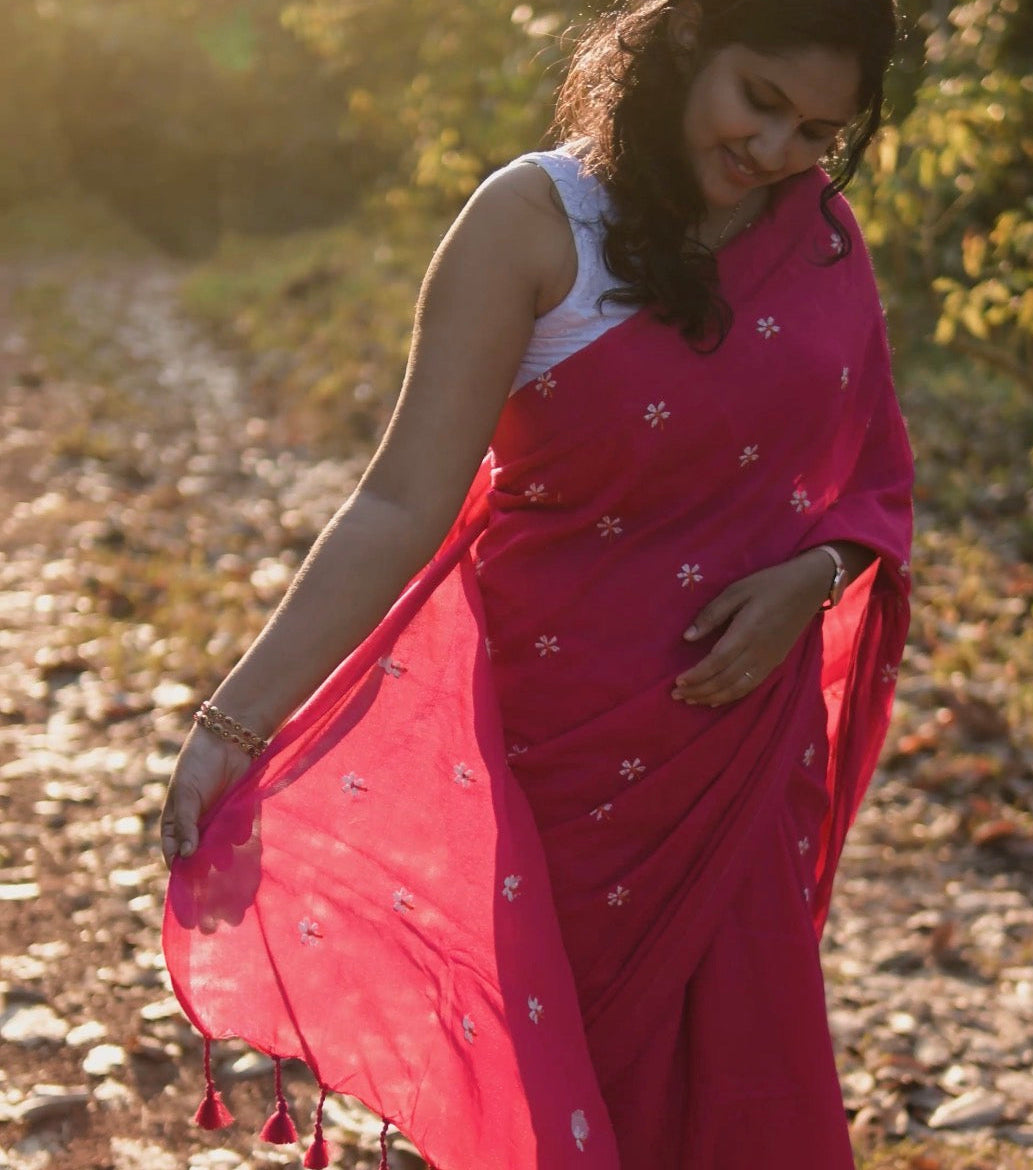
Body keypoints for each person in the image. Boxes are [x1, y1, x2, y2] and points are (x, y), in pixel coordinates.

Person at [160, 0, 912, 1167]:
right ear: (683, 44)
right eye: (759, 102)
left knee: (739, 1096)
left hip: (734, 752)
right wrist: (233, 724)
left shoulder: (817, 235)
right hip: (552, 746)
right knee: (545, 1097)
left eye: (817, 132)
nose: (775, 152)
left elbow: (871, 479)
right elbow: (400, 502)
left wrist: (812, 582)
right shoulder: (535, 220)